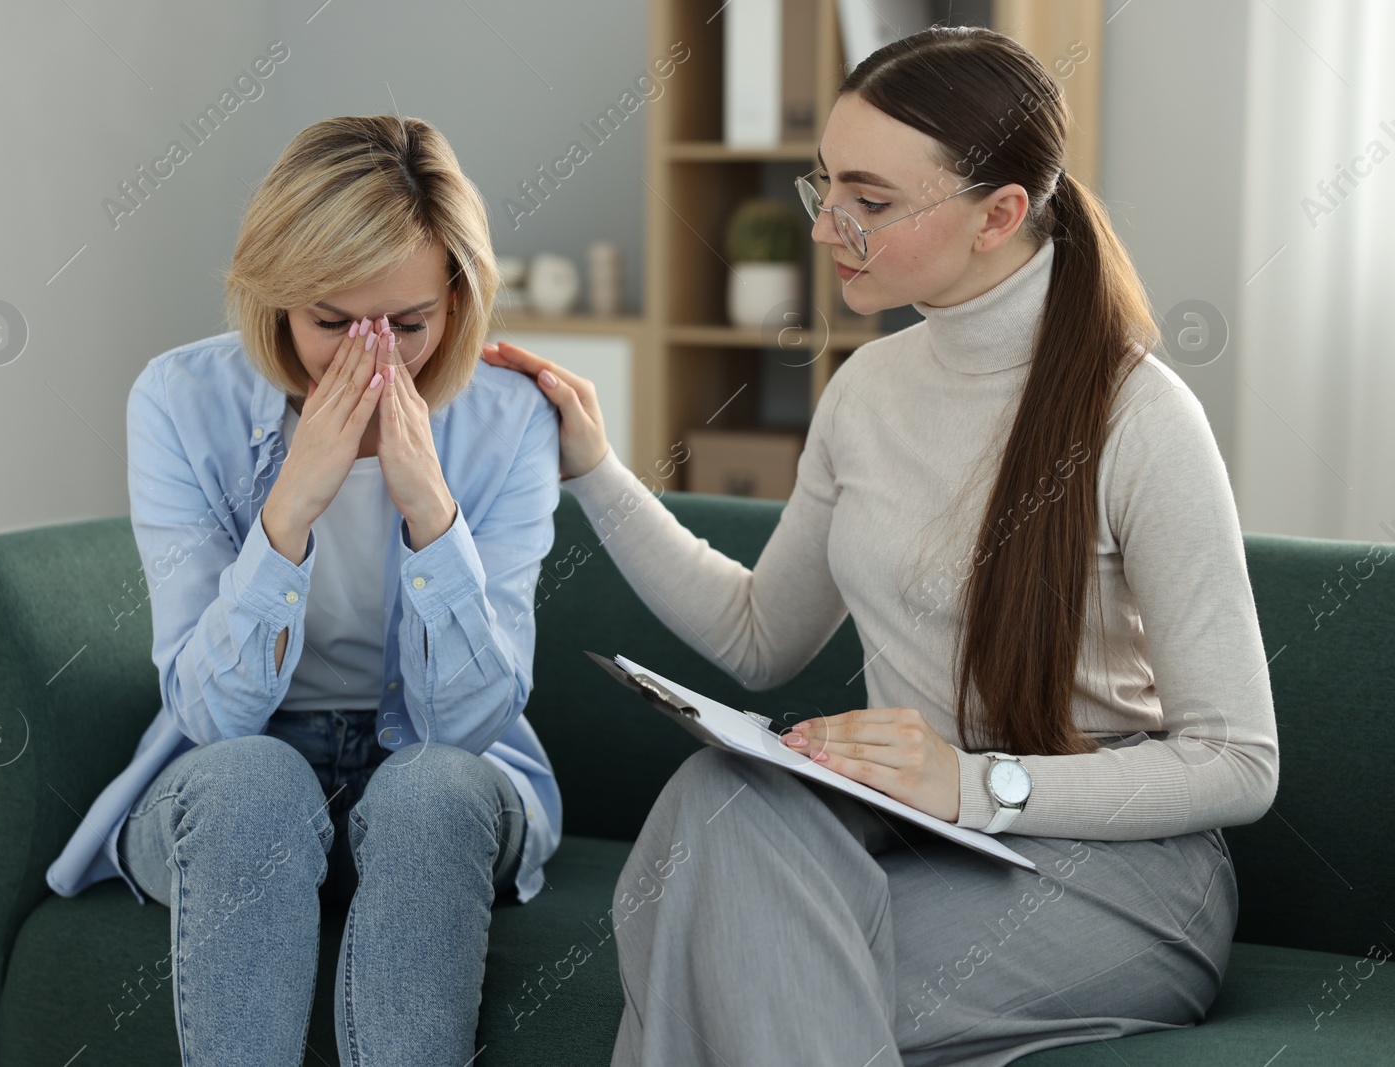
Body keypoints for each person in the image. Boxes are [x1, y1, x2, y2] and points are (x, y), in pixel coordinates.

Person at [483, 26, 1278, 1067]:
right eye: (827, 189)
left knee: (717, 960)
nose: (828, 229)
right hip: (910, 837)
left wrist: (980, 784)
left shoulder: (1140, 418)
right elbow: (761, 635)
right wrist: (593, 466)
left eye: (871, 199)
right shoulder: (865, 391)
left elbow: (1238, 761)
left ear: (999, 213)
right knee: (723, 793)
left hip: (1107, 872)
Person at [44, 115, 564, 1066]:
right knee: (254, 780)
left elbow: (471, 722)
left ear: (458, 300)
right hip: (242, 769)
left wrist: (429, 508)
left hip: (441, 775)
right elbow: (210, 713)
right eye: (332, 321)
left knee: (432, 787)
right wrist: (291, 508)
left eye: (408, 324)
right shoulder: (177, 400)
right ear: (275, 298)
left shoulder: (507, 421)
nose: (371, 356)